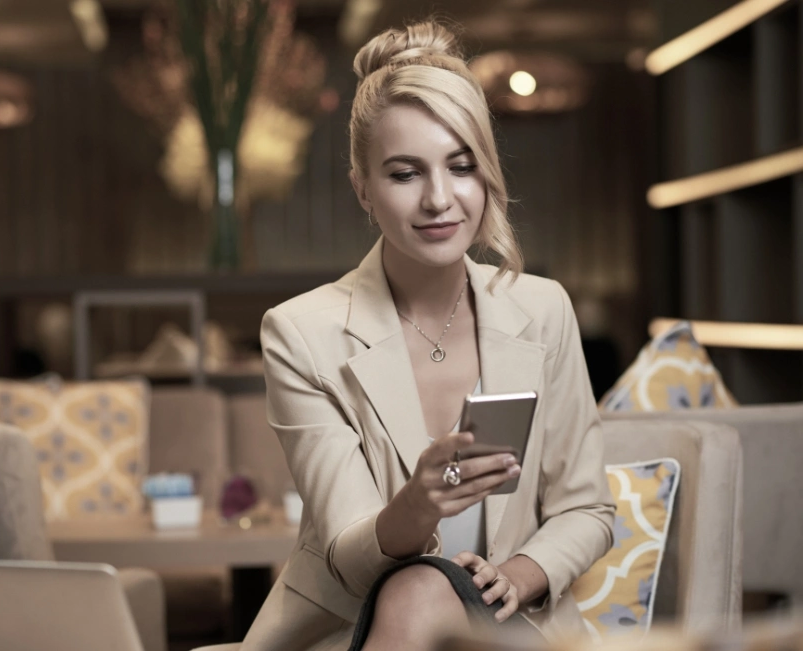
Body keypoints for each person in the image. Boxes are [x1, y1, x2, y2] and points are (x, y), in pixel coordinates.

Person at [240, 20, 615, 651]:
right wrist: (418, 503)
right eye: (405, 173)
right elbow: (349, 558)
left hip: (509, 627)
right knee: (416, 588)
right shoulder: (301, 333)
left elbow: (588, 509)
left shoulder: (543, 308)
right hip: (361, 623)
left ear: (486, 172)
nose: (440, 199)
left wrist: (519, 576)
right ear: (363, 188)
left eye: (461, 166)